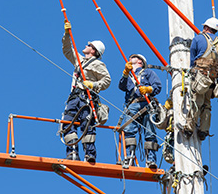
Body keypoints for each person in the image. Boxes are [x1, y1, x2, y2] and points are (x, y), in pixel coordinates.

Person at [60, 21, 111, 163]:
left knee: (86, 125)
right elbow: (67, 50)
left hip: (86, 99)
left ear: (94, 50)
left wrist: (93, 85)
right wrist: (67, 35)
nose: (86, 46)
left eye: (89, 45)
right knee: (68, 123)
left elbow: (107, 80)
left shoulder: (97, 64)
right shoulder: (79, 61)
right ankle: (73, 152)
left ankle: (89, 154)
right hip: (74, 97)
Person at [187, 17, 218, 141]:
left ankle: (189, 128)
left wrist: (191, 72)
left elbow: (192, 59)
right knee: (207, 105)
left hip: (200, 76)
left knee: (196, 101)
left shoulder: (198, 39)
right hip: (212, 78)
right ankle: (203, 130)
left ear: (206, 27)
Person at [119, 54, 162, 168]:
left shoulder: (147, 73)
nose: (129, 59)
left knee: (150, 132)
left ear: (140, 61)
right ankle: (130, 157)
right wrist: (125, 73)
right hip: (133, 104)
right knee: (129, 130)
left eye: (132, 57)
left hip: (147, 103)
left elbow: (157, 85)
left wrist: (149, 89)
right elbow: (121, 86)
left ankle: (151, 160)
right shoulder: (128, 75)